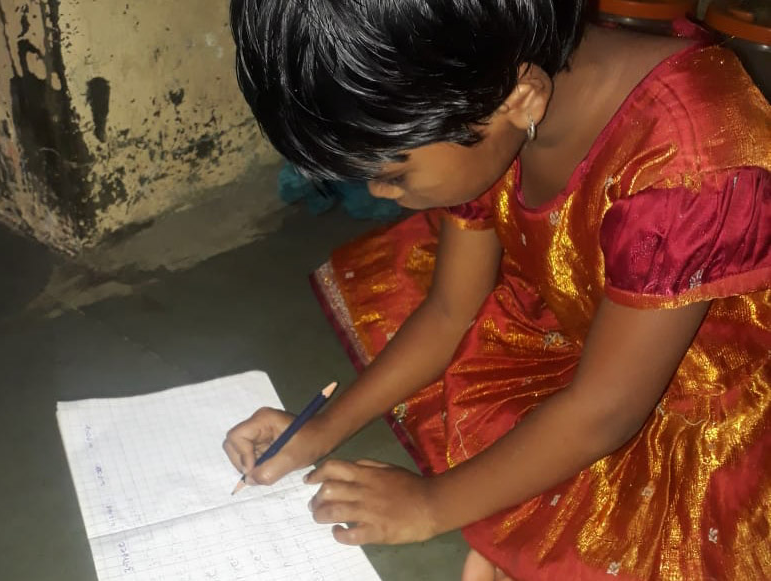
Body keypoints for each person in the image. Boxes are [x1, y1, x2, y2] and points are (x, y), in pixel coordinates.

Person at [223, 1, 771, 579]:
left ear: (517, 100)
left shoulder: (685, 168)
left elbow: (604, 413)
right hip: (587, 326)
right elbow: (450, 310)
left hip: (709, 387)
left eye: (393, 172)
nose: (379, 195)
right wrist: (322, 428)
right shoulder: (485, 92)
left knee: (620, 520)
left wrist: (430, 505)